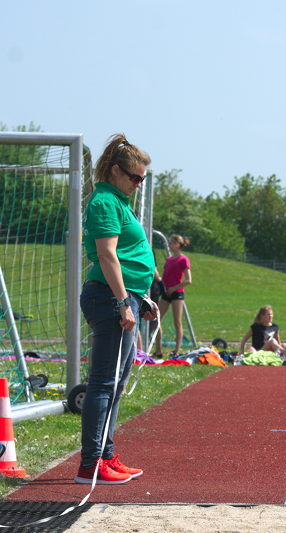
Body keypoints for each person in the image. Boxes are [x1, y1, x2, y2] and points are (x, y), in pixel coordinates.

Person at [76, 134, 159, 484]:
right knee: (103, 384)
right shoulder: (106, 202)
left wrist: (140, 296)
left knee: (116, 384)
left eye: (142, 178)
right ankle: (91, 463)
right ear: (115, 171)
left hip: (125, 297)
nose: (139, 184)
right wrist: (125, 300)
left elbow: (122, 256)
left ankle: (106, 455)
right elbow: (108, 254)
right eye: (135, 177)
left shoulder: (119, 201)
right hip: (110, 299)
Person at [153, 235, 192, 357]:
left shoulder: (183, 259)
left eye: (172, 243)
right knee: (157, 319)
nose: (170, 245)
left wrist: (173, 288)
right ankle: (158, 350)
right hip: (166, 292)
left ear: (179, 245)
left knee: (177, 322)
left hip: (177, 293)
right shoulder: (169, 259)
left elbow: (188, 280)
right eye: (169, 243)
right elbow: (164, 277)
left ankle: (176, 350)